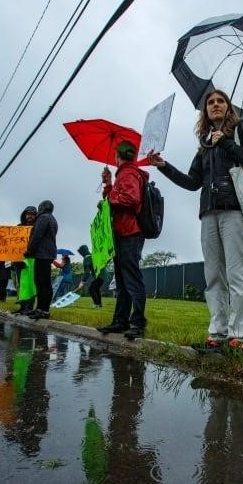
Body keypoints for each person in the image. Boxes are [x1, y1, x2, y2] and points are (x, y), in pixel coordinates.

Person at [147, 89, 243, 354]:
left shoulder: (242, 130)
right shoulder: (205, 143)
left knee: (237, 274)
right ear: (205, 111)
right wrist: (163, 166)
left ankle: (239, 336)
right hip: (208, 213)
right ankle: (217, 333)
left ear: (228, 106)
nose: (215, 105)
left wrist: (226, 142)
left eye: (220, 101)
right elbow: (192, 182)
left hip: (235, 209)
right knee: (213, 276)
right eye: (210, 102)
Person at [96, 141, 148, 340]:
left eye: (116, 155)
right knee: (123, 281)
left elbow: (131, 199)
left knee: (131, 280)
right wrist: (108, 183)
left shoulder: (128, 173)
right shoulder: (124, 174)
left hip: (129, 233)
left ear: (119, 156)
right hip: (122, 232)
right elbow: (119, 197)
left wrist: (107, 202)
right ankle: (120, 321)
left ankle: (137, 323)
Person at [24, 200, 58, 320]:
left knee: (43, 283)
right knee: (43, 283)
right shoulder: (52, 218)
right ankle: (40, 309)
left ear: (43, 207)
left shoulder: (43, 218)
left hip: (42, 254)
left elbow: (36, 236)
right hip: (48, 254)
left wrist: (30, 251)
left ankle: (44, 310)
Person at [13, 206, 38, 314]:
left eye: (32, 214)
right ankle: (23, 307)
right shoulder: (18, 228)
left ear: (35, 215)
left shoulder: (37, 227)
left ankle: (29, 307)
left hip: (32, 259)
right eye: (28, 214)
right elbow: (11, 242)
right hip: (19, 260)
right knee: (21, 284)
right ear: (24, 215)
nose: (30, 216)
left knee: (31, 284)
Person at [76, 244, 103, 308]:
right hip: (104, 276)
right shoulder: (93, 256)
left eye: (80, 253)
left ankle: (96, 304)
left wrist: (82, 281)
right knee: (96, 289)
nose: (81, 255)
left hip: (99, 276)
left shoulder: (87, 258)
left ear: (82, 252)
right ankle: (99, 304)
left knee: (91, 290)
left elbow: (87, 272)